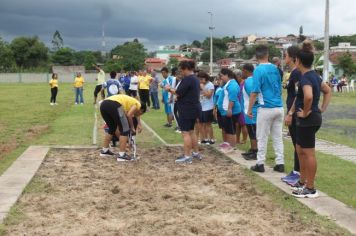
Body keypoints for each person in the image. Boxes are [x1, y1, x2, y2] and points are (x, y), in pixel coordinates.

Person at [292, 41, 331, 198]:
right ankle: (302, 182)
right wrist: (321, 109)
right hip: (312, 117)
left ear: (298, 61)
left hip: (308, 119)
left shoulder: (306, 78)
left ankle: (311, 188)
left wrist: (307, 112)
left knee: (308, 153)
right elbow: (327, 91)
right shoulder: (314, 75)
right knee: (300, 150)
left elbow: (308, 96)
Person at [247, 45, 284, 173]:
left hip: (265, 108)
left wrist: (249, 109)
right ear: (267, 55)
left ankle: (260, 163)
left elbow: (255, 91)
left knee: (261, 136)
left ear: (256, 56)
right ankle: (280, 163)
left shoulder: (258, 70)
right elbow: (279, 88)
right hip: (279, 107)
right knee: (277, 137)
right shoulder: (275, 68)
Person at [165, 61, 202, 164]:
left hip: (187, 109)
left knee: (185, 132)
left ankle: (187, 156)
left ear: (185, 68)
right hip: (194, 107)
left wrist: (168, 89)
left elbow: (178, 92)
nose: (180, 71)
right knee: (191, 131)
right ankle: (195, 153)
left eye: (181, 68)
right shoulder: (195, 78)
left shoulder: (188, 79)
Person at [99, 94, 146, 161]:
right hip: (114, 104)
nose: (138, 115)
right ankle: (122, 155)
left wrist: (138, 124)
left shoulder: (128, 104)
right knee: (125, 129)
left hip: (104, 104)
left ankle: (104, 151)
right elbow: (129, 115)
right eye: (141, 113)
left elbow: (128, 115)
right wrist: (132, 127)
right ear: (141, 110)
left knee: (112, 128)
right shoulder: (138, 104)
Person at [282, 45, 303, 185]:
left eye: (286, 55)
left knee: (298, 144)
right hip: (293, 111)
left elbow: (297, 94)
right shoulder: (294, 73)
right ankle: (296, 171)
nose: (285, 58)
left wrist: (290, 113)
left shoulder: (296, 73)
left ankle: (298, 173)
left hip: (294, 113)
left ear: (292, 57)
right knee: (296, 144)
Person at [218, 68, 241, 152]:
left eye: (222, 76)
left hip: (232, 111)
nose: (221, 78)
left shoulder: (233, 85)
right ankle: (228, 145)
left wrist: (229, 109)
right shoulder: (228, 83)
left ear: (227, 75)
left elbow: (232, 98)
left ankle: (232, 147)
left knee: (231, 130)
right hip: (226, 110)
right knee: (228, 129)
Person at [241, 64, 258, 160]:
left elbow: (254, 95)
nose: (242, 73)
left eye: (242, 71)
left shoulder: (249, 81)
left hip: (251, 111)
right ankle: (253, 149)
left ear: (246, 71)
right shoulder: (252, 80)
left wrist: (251, 109)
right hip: (250, 110)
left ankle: (255, 151)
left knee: (252, 131)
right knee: (252, 131)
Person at [197, 71, 215, 145]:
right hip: (201, 106)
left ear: (205, 78)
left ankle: (211, 139)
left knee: (208, 124)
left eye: (201, 79)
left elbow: (209, 95)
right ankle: (204, 139)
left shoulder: (210, 85)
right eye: (199, 79)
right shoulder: (200, 84)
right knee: (201, 124)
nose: (200, 81)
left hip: (208, 107)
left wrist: (203, 88)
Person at [234, 69, 248, 145]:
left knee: (243, 124)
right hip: (237, 105)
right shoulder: (237, 83)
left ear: (239, 76)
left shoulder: (244, 83)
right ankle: (237, 139)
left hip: (243, 105)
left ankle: (244, 139)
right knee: (237, 124)